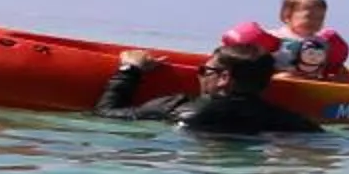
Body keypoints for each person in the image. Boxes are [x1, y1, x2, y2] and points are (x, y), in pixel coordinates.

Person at [95, 25, 324, 135]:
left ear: (224, 78)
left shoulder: (178, 107)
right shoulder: (292, 123)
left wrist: (129, 70)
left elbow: (106, 114)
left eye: (205, 70)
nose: (199, 74)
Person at [270, 0, 349, 80]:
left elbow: (336, 66)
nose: (315, 21)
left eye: (320, 18)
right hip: (280, 80)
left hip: (311, 82)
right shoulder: (275, 37)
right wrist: (274, 76)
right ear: (286, 16)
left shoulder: (321, 42)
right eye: (309, 17)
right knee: (285, 76)